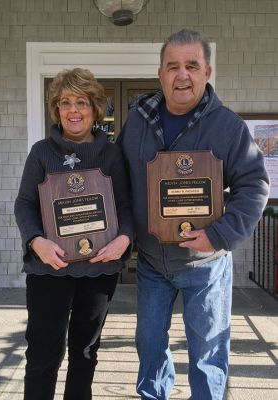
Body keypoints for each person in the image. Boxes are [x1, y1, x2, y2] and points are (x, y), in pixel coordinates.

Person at [117, 29, 269, 400]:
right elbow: (119, 181)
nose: (181, 75)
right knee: (150, 348)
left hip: (206, 264)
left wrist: (218, 235)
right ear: (160, 74)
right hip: (152, 262)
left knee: (207, 354)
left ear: (207, 72)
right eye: (172, 66)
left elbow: (254, 185)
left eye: (191, 65)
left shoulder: (228, 127)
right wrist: (125, 231)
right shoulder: (137, 121)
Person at [14, 67, 133, 400]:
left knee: (85, 353)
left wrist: (123, 240)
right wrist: (37, 241)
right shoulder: (41, 152)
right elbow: (24, 204)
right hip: (50, 268)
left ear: (94, 108)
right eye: (65, 102)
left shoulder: (111, 155)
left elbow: (126, 206)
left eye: (81, 102)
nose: (73, 110)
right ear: (57, 108)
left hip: (98, 269)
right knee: (41, 356)